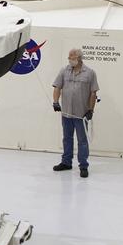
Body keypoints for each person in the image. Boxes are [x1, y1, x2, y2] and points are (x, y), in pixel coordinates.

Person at [52, 47, 99, 178]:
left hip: (81, 114)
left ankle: (83, 166)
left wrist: (91, 110)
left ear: (79, 58)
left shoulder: (90, 73)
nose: (69, 60)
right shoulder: (64, 71)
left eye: (72, 58)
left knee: (82, 141)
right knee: (67, 138)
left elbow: (93, 93)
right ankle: (66, 162)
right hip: (66, 113)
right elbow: (57, 87)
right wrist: (55, 102)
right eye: (69, 58)